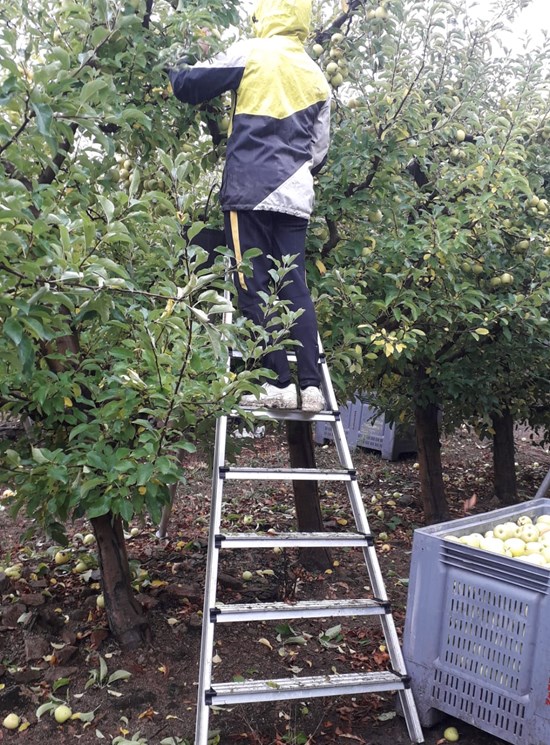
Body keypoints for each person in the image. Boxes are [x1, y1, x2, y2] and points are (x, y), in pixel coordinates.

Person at [167, 0, 331, 412]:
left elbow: (190, 85)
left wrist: (169, 65)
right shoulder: (316, 76)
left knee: (252, 283)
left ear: (265, 14)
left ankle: (277, 382)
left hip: (250, 191)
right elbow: (320, 152)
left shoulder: (252, 52)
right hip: (295, 195)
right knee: (294, 285)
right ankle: (311, 386)